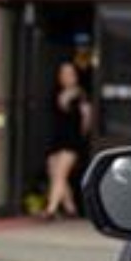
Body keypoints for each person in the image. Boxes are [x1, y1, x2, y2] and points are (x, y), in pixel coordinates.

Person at [41, 61, 91, 220]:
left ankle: (51, 209)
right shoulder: (57, 92)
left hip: (72, 140)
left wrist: (82, 137)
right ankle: (71, 208)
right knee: (53, 172)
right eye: (62, 74)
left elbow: (86, 119)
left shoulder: (81, 95)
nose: (65, 77)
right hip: (57, 138)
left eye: (69, 74)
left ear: (76, 76)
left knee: (60, 174)